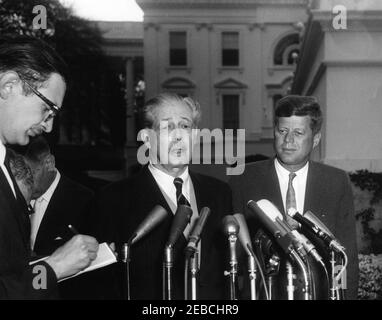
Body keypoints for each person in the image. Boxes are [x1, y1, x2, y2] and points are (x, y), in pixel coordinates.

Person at [95, 92, 232, 299]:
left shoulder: (220, 193)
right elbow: (103, 285)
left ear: (195, 136)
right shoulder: (113, 199)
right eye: (168, 127)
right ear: (146, 139)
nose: (178, 136)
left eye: (185, 126)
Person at [229, 95, 359, 300]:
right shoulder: (243, 179)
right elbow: (232, 257)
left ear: (316, 139)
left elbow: (345, 256)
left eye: (298, 133)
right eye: (282, 131)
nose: (288, 140)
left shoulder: (336, 182)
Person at [0, 36, 99, 299]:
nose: (49, 126)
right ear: (8, 85)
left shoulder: (8, 171)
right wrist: (54, 267)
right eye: (47, 108)